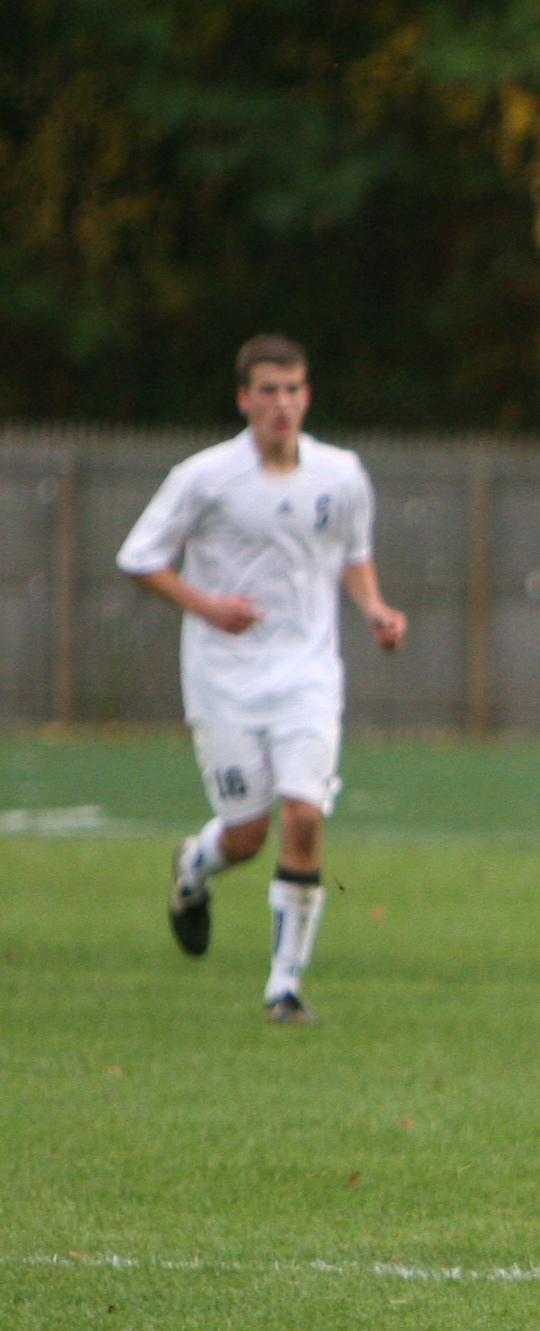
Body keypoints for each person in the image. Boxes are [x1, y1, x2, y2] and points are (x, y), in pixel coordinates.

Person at [123, 335, 407, 1024]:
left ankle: (284, 987)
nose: (282, 404)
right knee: (247, 833)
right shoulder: (206, 476)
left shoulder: (341, 474)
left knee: (303, 816)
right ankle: (194, 867)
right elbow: (141, 557)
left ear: (307, 395)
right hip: (223, 680)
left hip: (308, 676)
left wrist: (373, 607)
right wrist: (208, 606)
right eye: (268, 391)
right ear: (244, 398)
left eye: (294, 390)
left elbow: (353, 554)